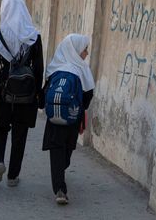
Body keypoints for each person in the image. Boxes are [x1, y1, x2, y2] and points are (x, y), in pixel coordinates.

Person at [0, 0, 44, 187]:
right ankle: (13, 176)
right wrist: (38, 93)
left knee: (1, 127)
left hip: (4, 89)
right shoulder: (33, 36)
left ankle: (0, 161)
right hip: (26, 90)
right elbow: (39, 67)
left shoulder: (0, 35)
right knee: (20, 132)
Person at [41, 33, 95, 205]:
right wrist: (78, 110)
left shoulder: (54, 68)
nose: (86, 53)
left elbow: (44, 95)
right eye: (84, 49)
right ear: (76, 50)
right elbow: (88, 96)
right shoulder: (81, 70)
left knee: (57, 150)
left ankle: (59, 184)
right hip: (72, 120)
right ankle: (60, 188)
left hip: (54, 120)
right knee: (66, 152)